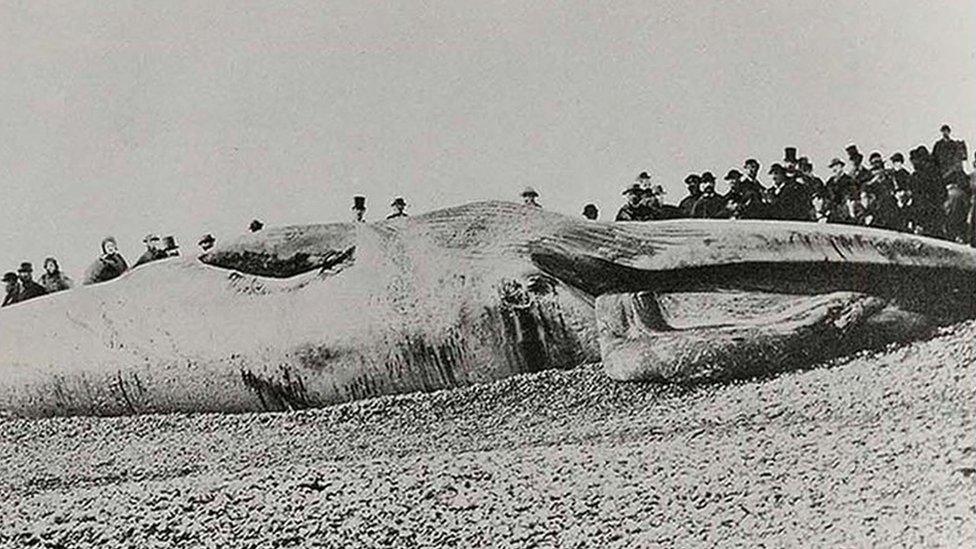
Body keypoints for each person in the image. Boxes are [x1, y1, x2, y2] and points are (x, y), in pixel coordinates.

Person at [944, 179, 970, 243]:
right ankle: (958, 238)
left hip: (950, 215)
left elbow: (946, 205)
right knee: (958, 229)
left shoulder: (948, 193)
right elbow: (967, 205)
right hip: (960, 215)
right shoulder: (962, 193)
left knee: (950, 230)